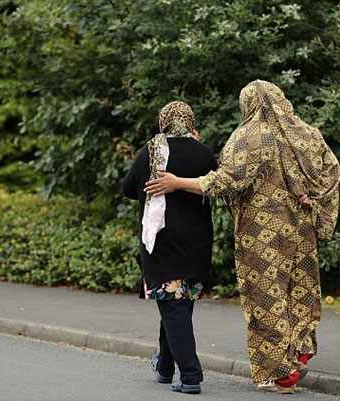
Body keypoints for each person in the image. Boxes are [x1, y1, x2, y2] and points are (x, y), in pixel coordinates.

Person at [145, 80, 340, 393]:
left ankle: (282, 372)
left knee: (267, 295)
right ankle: (302, 351)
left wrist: (177, 182)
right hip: (301, 228)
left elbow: (224, 182)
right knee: (299, 287)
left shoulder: (248, 137)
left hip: (260, 234)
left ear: (247, 104)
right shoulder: (305, 133)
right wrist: (314, 200)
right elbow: (331, 171)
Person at [122, 101, 217, 394]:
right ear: (191, 121)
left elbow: (128, 188)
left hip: (162, 242)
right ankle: (164, 366)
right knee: (177, 302)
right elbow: (216, 184)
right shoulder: (204, 153)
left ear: (163, 121)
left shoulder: (152, 151)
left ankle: (191, 375)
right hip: (196, 241)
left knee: (173, 305)